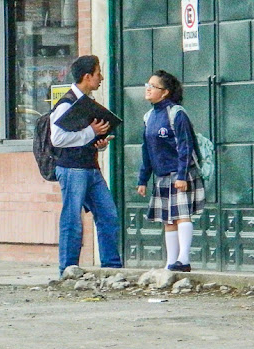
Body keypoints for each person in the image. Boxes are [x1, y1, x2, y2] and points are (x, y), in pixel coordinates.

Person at [50, 54, 123, 276]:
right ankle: (68, 269)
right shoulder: (66, 104)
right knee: (72, 219)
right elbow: (57, 139)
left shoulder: (87, 103)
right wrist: (91, 132)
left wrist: (99, 142)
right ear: (87, 76)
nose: (101, 77)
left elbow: (86, 137)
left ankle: (111, 267)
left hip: (90, 167)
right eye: (98, 73)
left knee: (108, 214)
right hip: (72, 169)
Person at [136, 70, 205, 273]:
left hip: (179, 173)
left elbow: (185, 146)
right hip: (162, 176)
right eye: (147, 85)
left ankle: (184, 259)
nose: (148, 89)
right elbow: (146, 150)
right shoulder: (148, 117)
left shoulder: (177, 113)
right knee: (168, 219)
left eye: (153, 86)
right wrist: (143, 179)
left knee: (182, 215)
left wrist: (182, 176)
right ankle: (171, 261)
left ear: (165, 92)